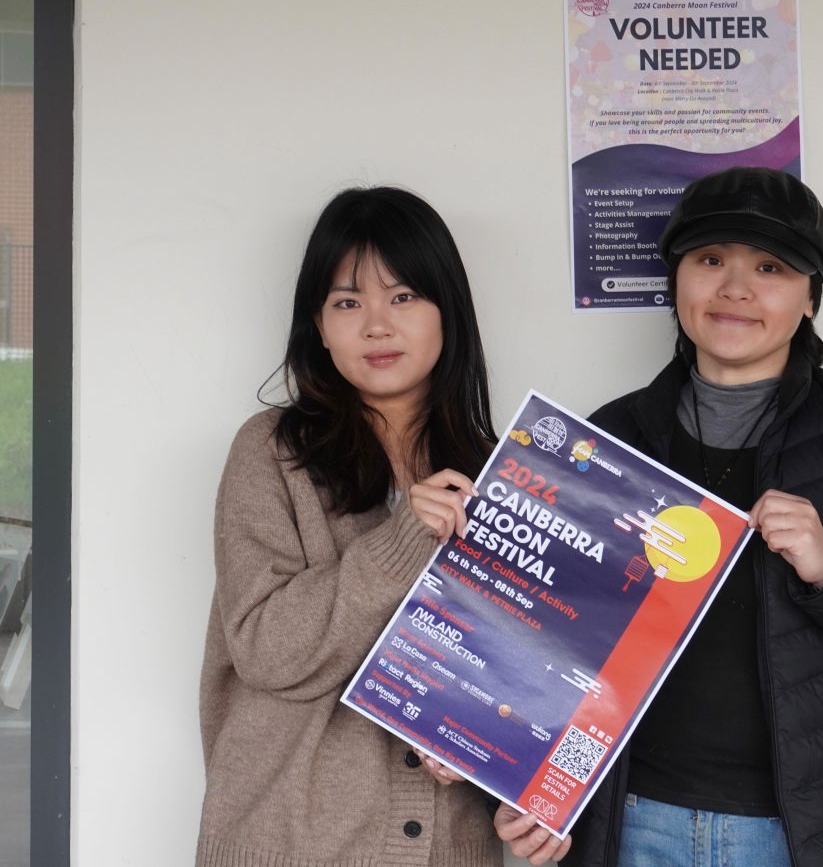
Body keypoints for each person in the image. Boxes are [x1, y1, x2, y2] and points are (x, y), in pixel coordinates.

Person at [569, 167, 823, 867]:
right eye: (709, 261)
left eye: (770, 266)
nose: (735, 287)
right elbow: (551, 641)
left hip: (810, 833)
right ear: (677, 283)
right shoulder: (610, 436)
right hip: (635, 821)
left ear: (811, 297)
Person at [195, 186, 569, 867]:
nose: (376, 325)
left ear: (446, 312)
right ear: (318, 324)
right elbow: (265, 650)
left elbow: (527, 682)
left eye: (402, 297)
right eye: (347, 302)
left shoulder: (503, 477)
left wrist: (507, 770)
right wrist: (402, 545)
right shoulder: (271, 453)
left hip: (448, 848)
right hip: (289, 845)